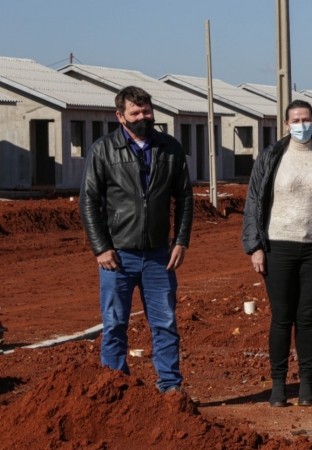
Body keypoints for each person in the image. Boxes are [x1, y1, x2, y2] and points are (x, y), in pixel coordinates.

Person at [79, 86, 193, 393]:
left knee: (165, 323)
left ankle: (170, 387)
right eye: (135, 113)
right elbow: (89, 201)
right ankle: (116, 387)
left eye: (146, 111)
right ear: (120, 116)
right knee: (115, 324)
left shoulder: (170, 148)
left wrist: (181, 240)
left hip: (159, 255)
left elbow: (184, 197)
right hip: (118, 256)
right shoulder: (104, 150)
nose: (143, 117)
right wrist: (101, 247)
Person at [242, 99, 312, 407]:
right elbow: (254, 202)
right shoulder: (272, 156)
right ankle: (278, 384)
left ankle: (306, 384)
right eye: (295, 120)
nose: (301, 124)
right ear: (286, 124)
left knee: (306, 316)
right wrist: (256, 247)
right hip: (278, 248)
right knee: (281, 317)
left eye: (306, 119)